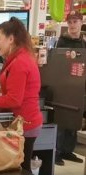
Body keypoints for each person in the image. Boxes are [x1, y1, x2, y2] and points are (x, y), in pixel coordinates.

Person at [0, 17, 43, 173]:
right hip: (24, 121)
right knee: (19, 165)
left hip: (25, 124)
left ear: (11, 39)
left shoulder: (20, 62)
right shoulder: (18, 58)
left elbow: (14, 99)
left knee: (20, 168)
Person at [54, 10, 85, 166]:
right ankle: (57, 152)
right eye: (70, 22)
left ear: (81, 22)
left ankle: (68, 150)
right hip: (63, 85)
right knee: (62, 118)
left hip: (78, 86)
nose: (73, 25)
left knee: (74, 118)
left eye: (75, 21)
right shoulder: (62, 42)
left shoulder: (83, 43)